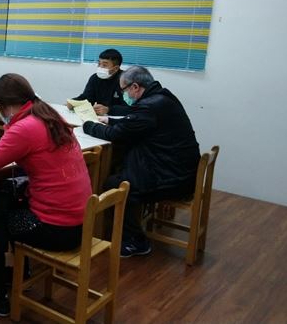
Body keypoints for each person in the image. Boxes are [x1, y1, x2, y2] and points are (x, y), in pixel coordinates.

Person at [0, 73, 92, 317]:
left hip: (56, 229)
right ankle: (21, 273)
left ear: (2, 105)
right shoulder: (47, 115)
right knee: (6, 201)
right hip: (79, 223)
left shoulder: (26, 127)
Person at [82, 66, 200, 257]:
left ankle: (135, 241)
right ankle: (125, 230)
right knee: (121, 170)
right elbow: (135, 123)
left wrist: (88, 125)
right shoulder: (162, 97)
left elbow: (116, 134)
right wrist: (111, 120)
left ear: (135, 87)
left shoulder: (148, 106)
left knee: (115, 185)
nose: (124, 95)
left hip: (171, 177)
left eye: (124, 90)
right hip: (178, 169)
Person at [73, 48, 129, 116]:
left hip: (120, 118)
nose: (100, 67)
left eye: (104, 65)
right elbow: (87, 98)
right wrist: (73, 102)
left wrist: (108, 110)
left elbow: (130, 108)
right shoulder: (95, 78)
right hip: (101, 117)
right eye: (99, 63)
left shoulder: (126, 80)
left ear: (116, 68)